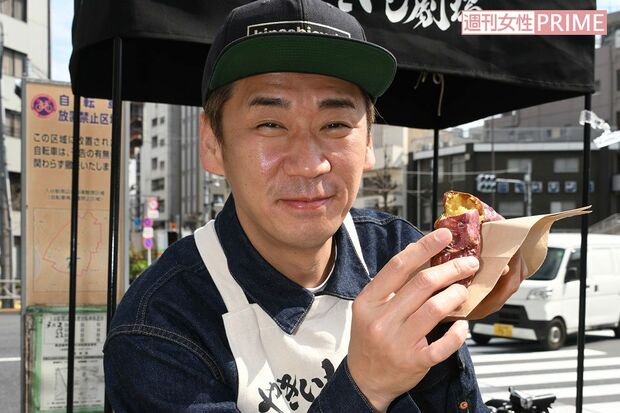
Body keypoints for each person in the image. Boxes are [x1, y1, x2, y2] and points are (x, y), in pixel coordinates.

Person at [104, 0, 528, 412]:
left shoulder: (399, 253)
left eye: (335, 124)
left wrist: (446, 317)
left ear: (368, 142)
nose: (309, 164)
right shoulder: (159, 324)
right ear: (213, 143)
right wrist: (367, 386)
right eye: (271, 124)